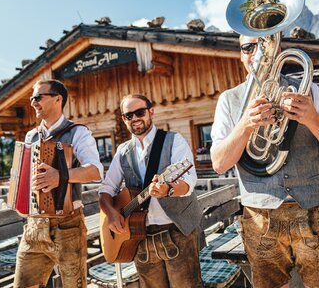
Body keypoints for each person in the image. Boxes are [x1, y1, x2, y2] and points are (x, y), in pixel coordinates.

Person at [211, 35, 319, 288]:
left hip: (314, 209)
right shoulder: (229, 100)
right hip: (260, 217)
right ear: (241, 56)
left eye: (264, 44)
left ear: (278, 49)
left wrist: (312, 118)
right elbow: (219, 163)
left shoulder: (311, 89)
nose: (257, 53)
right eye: (248, 48)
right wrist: (245, 125)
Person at [99, 94, 203, 288]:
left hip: (177, 231)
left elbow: (188, 181)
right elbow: (106, 190)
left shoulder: (174, 140)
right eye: (129, 115)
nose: (135, 118)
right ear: (124, 119)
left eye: (140, 112)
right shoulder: (122, 151)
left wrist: (168, 189)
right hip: (139, 237)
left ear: (151, 112)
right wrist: (112, 214)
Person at [13, 79, 103, 288]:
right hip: (34, 226)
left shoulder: (78, 132)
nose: (33, 102)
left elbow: (96, 171)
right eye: (31, 98)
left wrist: (61, 176)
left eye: (38, 97)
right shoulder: (31, 136)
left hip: (67, 226)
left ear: (57, 99)